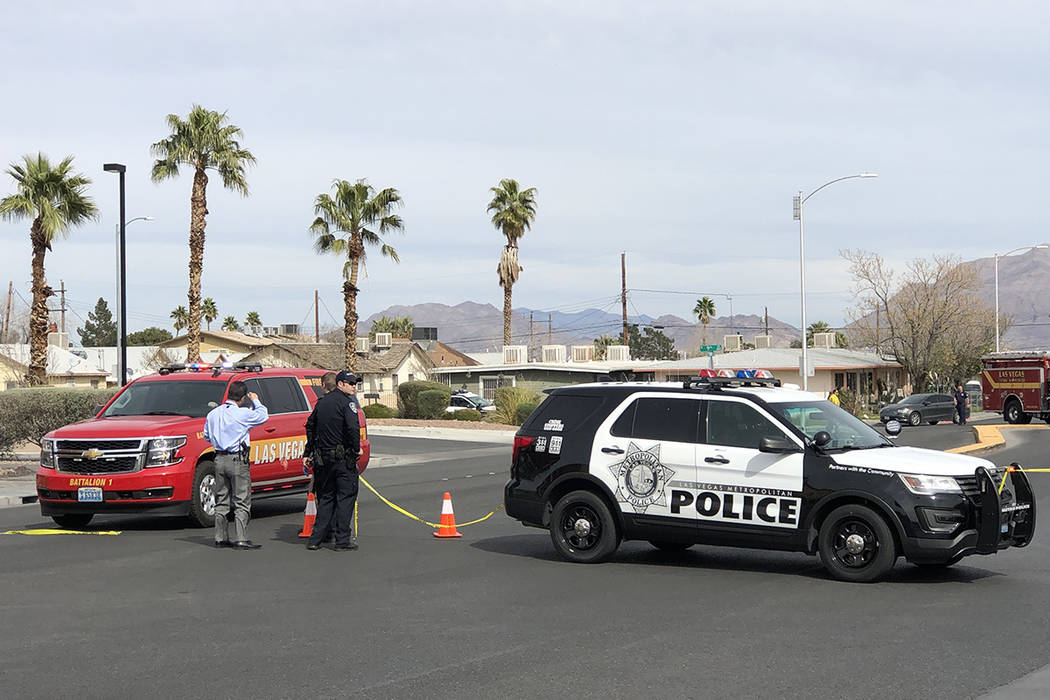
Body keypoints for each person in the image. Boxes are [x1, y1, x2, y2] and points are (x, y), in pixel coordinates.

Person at [203, 380, 269, 550]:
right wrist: (256, 400)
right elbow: (263, 415)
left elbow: (207, 436)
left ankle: (220, 537)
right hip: (237, 459)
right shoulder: (243, 413)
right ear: (242, 398)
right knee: (241, 499)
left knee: (221, 499)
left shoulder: (213, 414)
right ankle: (241, 538)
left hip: (219, 458)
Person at [303, 370, 361, 551]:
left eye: (355, 384)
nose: (354, 387)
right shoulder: (346, 403)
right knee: (345, 497)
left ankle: (315, 540)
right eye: (350, 383)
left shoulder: (321, 403)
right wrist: (355, 448)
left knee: (326, 498)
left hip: (323, 459)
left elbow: (310, 427)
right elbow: (352, 428)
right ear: (340, 384)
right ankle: (342, 540)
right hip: (343, 459)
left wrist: (309, 451)